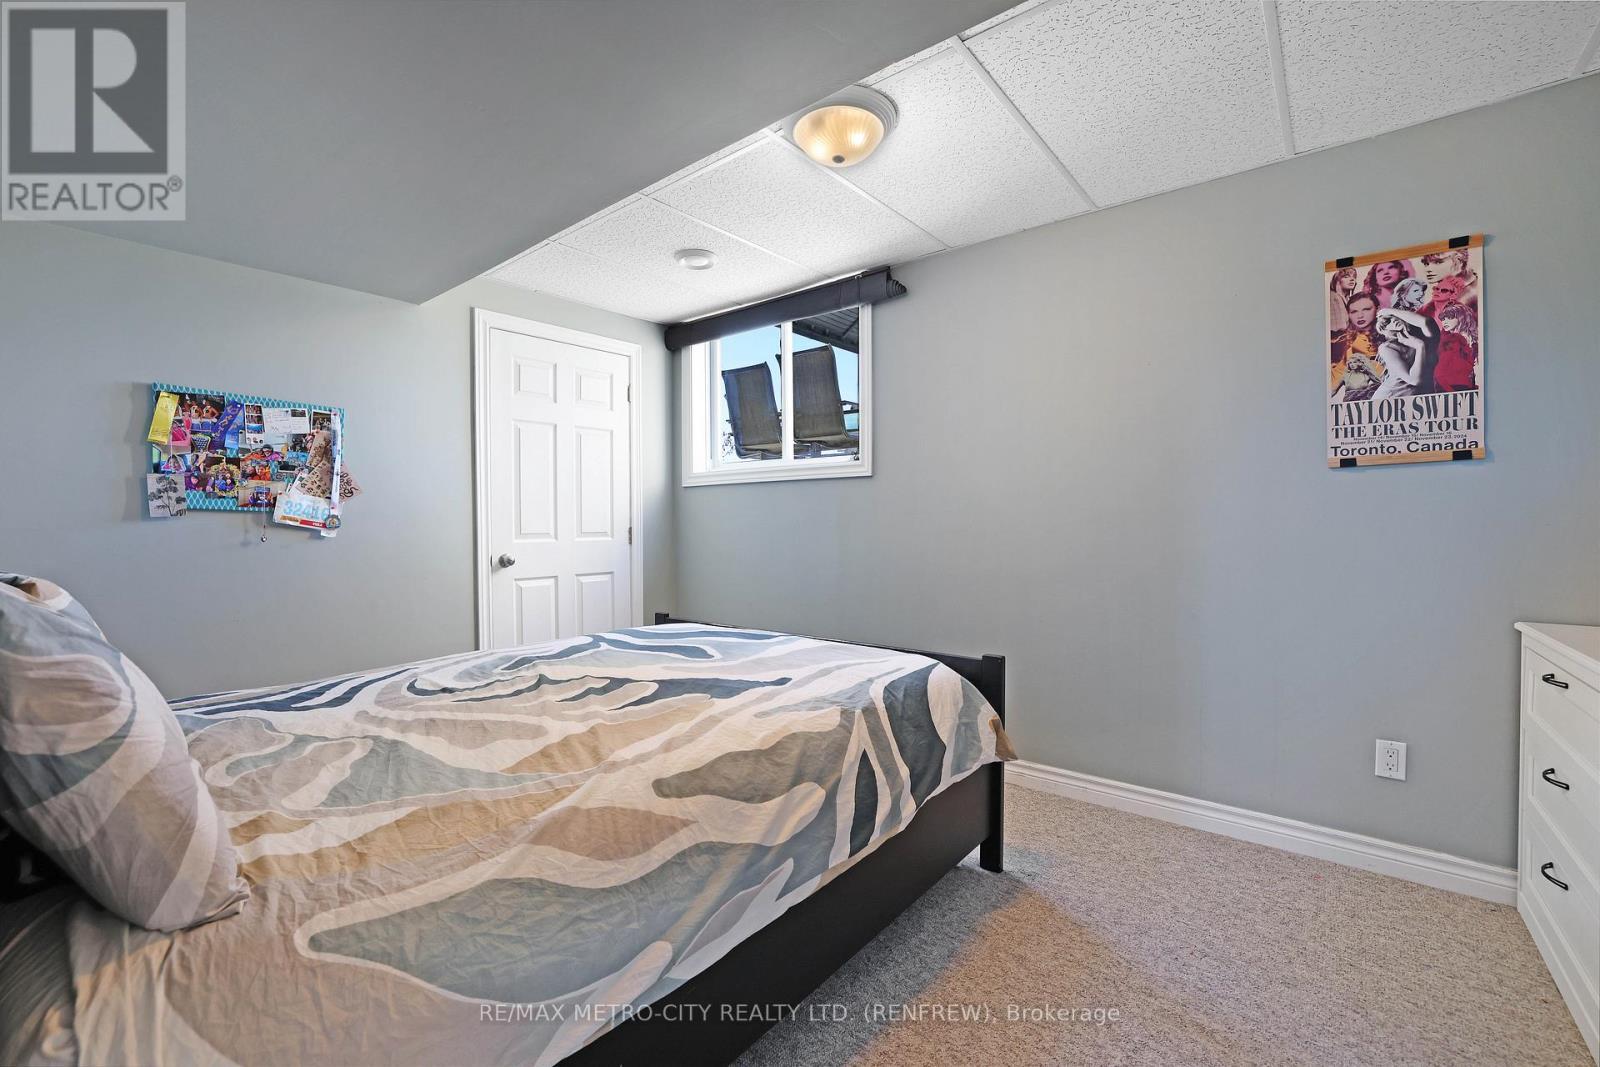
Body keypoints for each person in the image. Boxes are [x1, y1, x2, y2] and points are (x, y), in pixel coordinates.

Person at [1370, 308, 1437, 400]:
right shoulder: (1388, 347)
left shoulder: (1425, 336)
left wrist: (1390, 311)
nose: (1394, 320)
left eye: (1397, 317)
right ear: (1385, 329)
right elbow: (1414, 380)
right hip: (1390, 399)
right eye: (1388, 321)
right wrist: (1419, 347)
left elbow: (1425, 322)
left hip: (1417, 400)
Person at [1330, 291, 1383, 395]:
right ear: (1348, 314)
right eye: (1354, 311)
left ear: (1378, 309)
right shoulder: (1347, 342)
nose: (1360, 316)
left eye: (1366, 309)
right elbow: (1336, 376)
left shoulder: (1391, 334)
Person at [1434, 303, 1479, 392]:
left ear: (1462, 317)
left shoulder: (1474, 341)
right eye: (1443, 318)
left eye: (1450, 317)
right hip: (1450, 389)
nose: (1444, 321)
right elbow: (1439, 373)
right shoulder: (1447, 342)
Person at [1328, 266, 1359, 333]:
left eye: (1353, 277)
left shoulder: (1347, 298)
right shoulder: (1334, 297)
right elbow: (1340, 328)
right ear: (1337, 280)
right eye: (1346, 277)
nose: (1352, 279)